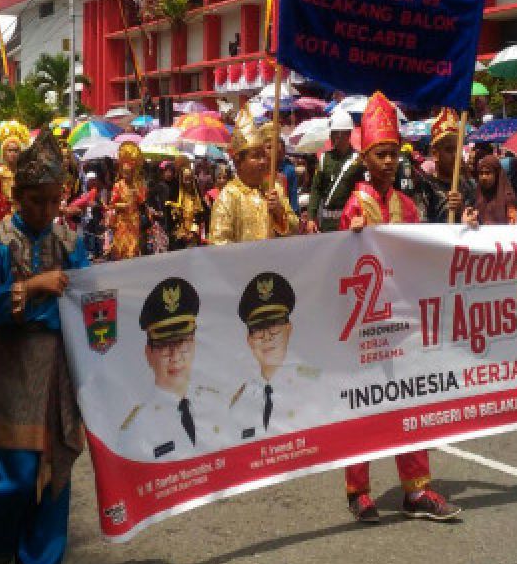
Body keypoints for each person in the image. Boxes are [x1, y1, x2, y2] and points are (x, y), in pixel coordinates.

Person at [0, 132, 90, 564]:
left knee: (56, 472)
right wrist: (34, 285)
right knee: (16, 475)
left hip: (61, 365)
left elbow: (87, 302)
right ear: (18, 196)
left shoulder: (71, 240)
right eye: (36, 200)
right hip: (16, 363)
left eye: (53, 201)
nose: (45, 210)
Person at [340, 92, 460, 524]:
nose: (389, 162)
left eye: (393, 154)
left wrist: (462, 227)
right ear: (366, 156)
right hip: (366, 324)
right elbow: (338, 261)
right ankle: (358, 489)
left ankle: (416, 489)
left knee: (409, 403)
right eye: (380, 154)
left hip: (403, 321)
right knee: (365, 403)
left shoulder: (407, 206)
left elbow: (423, 252)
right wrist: (349, 234)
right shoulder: (355, 204)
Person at [119, 277, 223, 461]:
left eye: (182, 342)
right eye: (164, 345)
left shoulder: (217, 403)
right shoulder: (136, 426)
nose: (175, 356)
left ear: (194, 344)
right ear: (149, 353)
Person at [229, 272, 318, 440]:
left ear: (289, 329)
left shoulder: (313, 380)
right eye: (258, 328)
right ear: (249, 340)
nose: (267, 336)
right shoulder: (240, 401)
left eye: (274, 324)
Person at [208, 108, 297, 244]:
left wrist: (280, 213)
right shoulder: (228, 196)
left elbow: (296, 230)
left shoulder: (274, 189)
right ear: (239, 162)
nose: (263, 161)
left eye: (263, 155)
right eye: (256, 157)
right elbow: (219, 243)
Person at [307, 109, 359, 233]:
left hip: (349, 222)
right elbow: (316, 189)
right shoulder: (325, 158)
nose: (333, 137)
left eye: (337, 133)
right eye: (332, 133)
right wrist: (311, 217)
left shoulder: (359, 160)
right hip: (326, 223)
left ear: (347, 134)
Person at [420, 108, 476, 223]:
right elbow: (421, 229)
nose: (455, 155)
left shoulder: (468, 186)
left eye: (458, 149)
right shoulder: (426, 187)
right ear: (435, 154)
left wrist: (461, 210)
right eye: (449, 150)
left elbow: (479, 223)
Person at [109, 143, 148, 260]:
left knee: (134, 247)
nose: (126, 175)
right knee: (121, 248)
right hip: (122, 221)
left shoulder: (138, 185)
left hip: (134, 220)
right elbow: (112, 204)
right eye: (124, 172)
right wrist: (123, 205)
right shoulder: (118, 185)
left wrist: (138, 194)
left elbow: (142, 202)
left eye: (129, 172)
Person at [0, 121, 30, 224]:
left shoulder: (25, 172)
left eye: (16, 151)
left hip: (24, 216)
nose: (13, 154)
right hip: (3, 216)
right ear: (4, 152)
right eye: (10, 150)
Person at [467, 155, 517, 225]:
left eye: (488, 173)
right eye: (481, 173)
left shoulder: (508, 198)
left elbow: (513, 223)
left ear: (497, 175)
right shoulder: (475, 195)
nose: (484, 177)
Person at [167, 166, 207, 249]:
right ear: (181, 180)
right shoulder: (175, 195)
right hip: (179, 235)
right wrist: (180, 231)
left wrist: (193, 232)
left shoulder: (197, 197)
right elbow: (172, 216)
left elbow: (200, 215)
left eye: (190, 179)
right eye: (186, 179)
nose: (188, 182)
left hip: (193, 235)